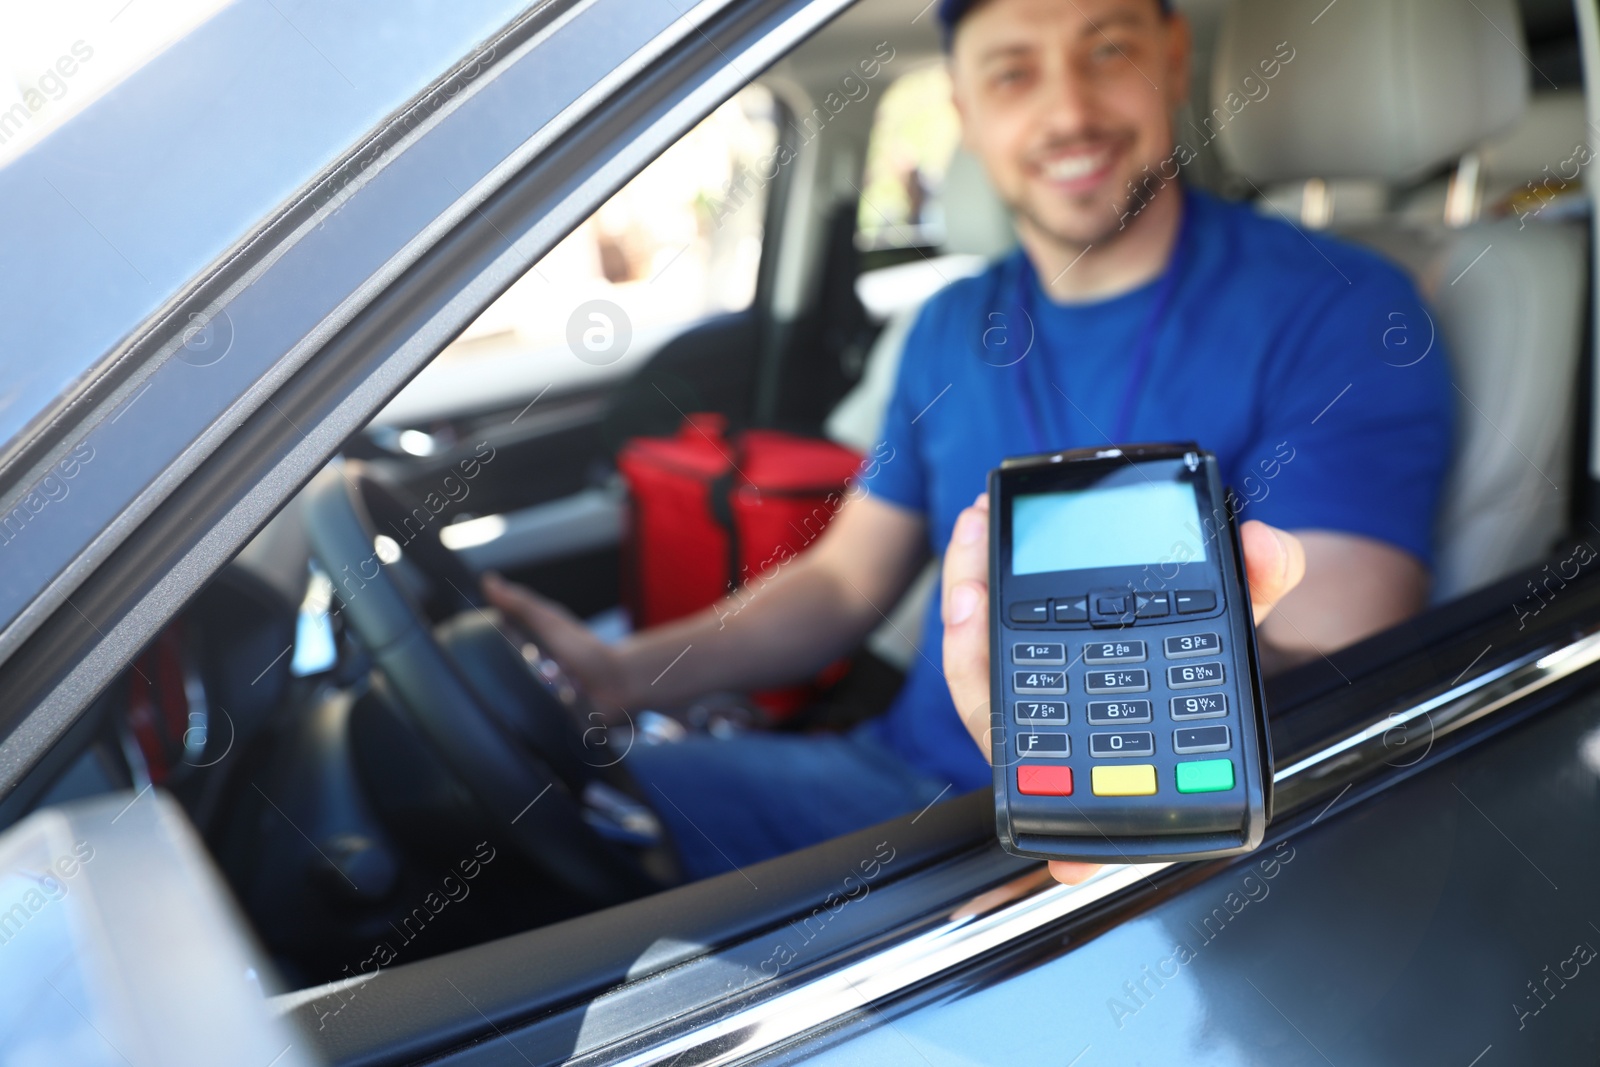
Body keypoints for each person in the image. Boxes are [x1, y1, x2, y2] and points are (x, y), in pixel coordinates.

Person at [484, 0, 1452, 882]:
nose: (1067, 111)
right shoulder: (949, 325)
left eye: (1106, 48)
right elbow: (839, 585)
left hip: (1135, 824)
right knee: (526, 820)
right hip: (893, 782)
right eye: (1013, 71)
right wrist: (620, 671)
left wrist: (1061, 866)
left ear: (1170, 57)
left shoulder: (1340, 311)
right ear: (965, 109)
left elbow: (1337, 665)